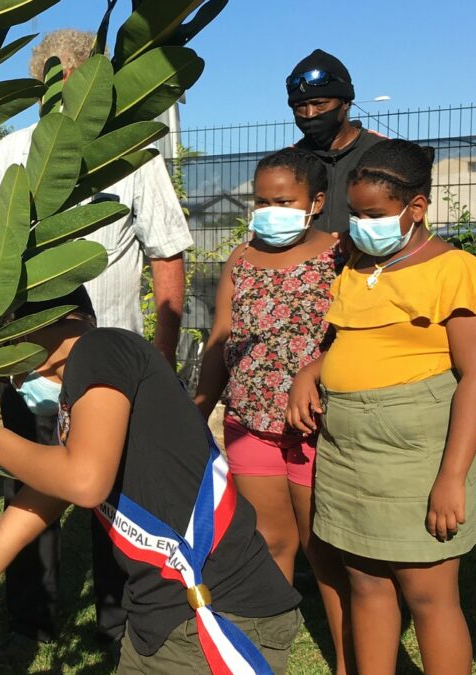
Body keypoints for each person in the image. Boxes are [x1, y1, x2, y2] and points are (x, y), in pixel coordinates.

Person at [0, 286, 302, 675]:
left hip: (219, 615)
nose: (14, 378)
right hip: (160, 621)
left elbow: (86, 482)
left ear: (61, 321)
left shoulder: (101, 348)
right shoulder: (82, 416)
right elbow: (7, 532)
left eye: (10, 353)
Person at [0, 29, 192, 660]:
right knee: (27, 492)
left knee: (114, 500)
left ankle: (118, 626)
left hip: (110, 370)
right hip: (26, 363)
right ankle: (28, 624)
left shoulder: (133, 155)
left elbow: (166, 255)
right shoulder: (11, 151)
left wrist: (162, 359)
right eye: (53, 87)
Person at [287, 139, 476, 674]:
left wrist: (451, 477)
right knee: (366, 582)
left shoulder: (459, 272)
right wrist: (311, 371)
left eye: (373, 215)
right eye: (354, 213)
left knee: (427, 593)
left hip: (416, 456)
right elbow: (346, 341)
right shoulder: (357, 267)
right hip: (348, 450)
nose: (359, 225)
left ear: (417, 208)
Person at [193, 147, 353, 674]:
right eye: (261, 200)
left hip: (315, 425)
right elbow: (222, 338)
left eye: (284, 200)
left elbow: (360, 331)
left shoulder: (341, 253)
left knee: (324, 551)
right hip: (249, 424)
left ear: (316, 202)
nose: (269, 210)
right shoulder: (241, 258)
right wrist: (200, 408)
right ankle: (264, 656)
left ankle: (354, 658)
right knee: (270, 541)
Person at [286, 49, 383, 234]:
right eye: (300, 107)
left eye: (319, 104)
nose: (310, 114)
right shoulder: (288, 161)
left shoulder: (381, 151)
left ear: (345, 103)